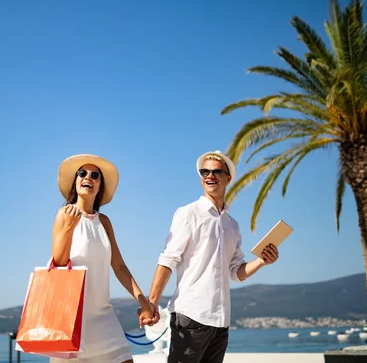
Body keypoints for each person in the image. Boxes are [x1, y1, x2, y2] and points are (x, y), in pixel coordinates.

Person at [141, 150, 280, 363]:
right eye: (204, 171)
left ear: (228, 178)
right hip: (190, 316)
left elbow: (236, 272)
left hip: (221, 321)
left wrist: (261, 261)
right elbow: (168, 260)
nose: (209, 176)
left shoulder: (232, 225)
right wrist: (152, 303)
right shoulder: (188, 213)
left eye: (216, 172)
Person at [52, 154, 156, 363]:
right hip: (71, 318)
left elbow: (119, 266)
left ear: (100, 186)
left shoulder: (105, 222)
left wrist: (142, 300)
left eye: (94, 175)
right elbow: (59, 264)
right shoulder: (64, 214)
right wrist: (69, 228)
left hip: (102, 316)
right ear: (76, 180)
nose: (87, 177)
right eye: (82, 173)